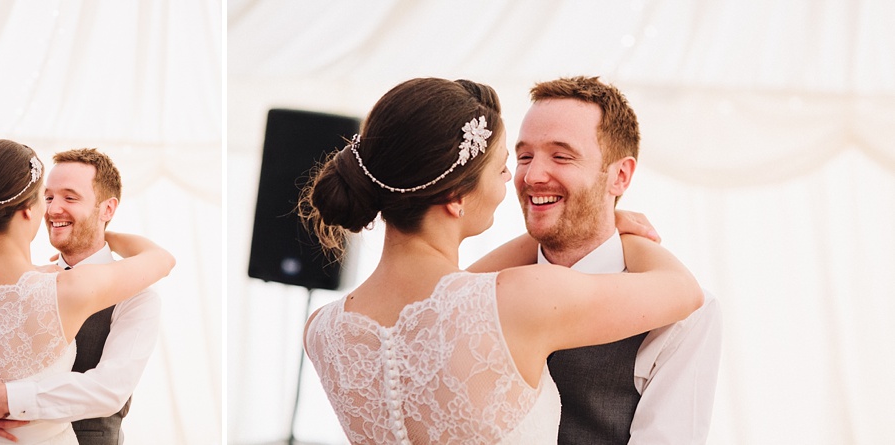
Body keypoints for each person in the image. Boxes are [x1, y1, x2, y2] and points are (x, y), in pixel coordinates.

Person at [299, 77, 704, 444]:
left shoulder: (324, 332)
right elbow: (684, 290)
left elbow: (441, 304)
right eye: (503, 168)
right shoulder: (518, 299)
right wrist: (615, 224)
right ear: (456, 197)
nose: (516, 179)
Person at [471, 76, 723, 444]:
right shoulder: (480, 293)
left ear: (620, 176)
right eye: (524, 157)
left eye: (561, 156)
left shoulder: (684, 319)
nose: (533, 176)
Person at [0, 140, 175, 444]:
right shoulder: (27, 283)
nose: (52, 208)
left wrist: (7, 398)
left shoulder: (138, 296)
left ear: (107, 209)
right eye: (47, 197)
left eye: (70, 197)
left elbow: (110, 389)